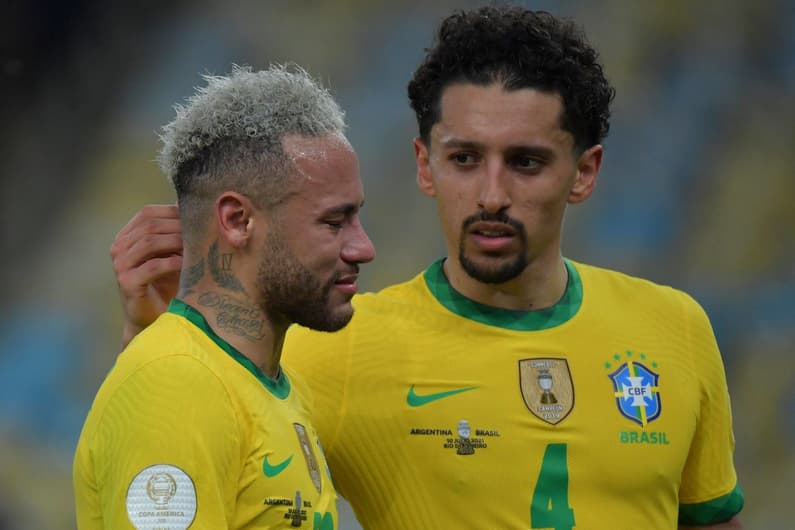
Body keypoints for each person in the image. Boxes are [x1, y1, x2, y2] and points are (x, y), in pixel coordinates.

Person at [110, 6, 744, 529]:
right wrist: (155, 329)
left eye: (525, 162)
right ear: (423, 164)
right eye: (464, 158)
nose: (491, 194)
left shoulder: (676, 330)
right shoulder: (339, 349)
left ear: (584, 173)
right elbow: (182, 436)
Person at [73, 64, 375, 529]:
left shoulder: (270, 388)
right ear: (237, 221)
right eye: (335, 222)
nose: (363, 248)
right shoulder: (177, 383)